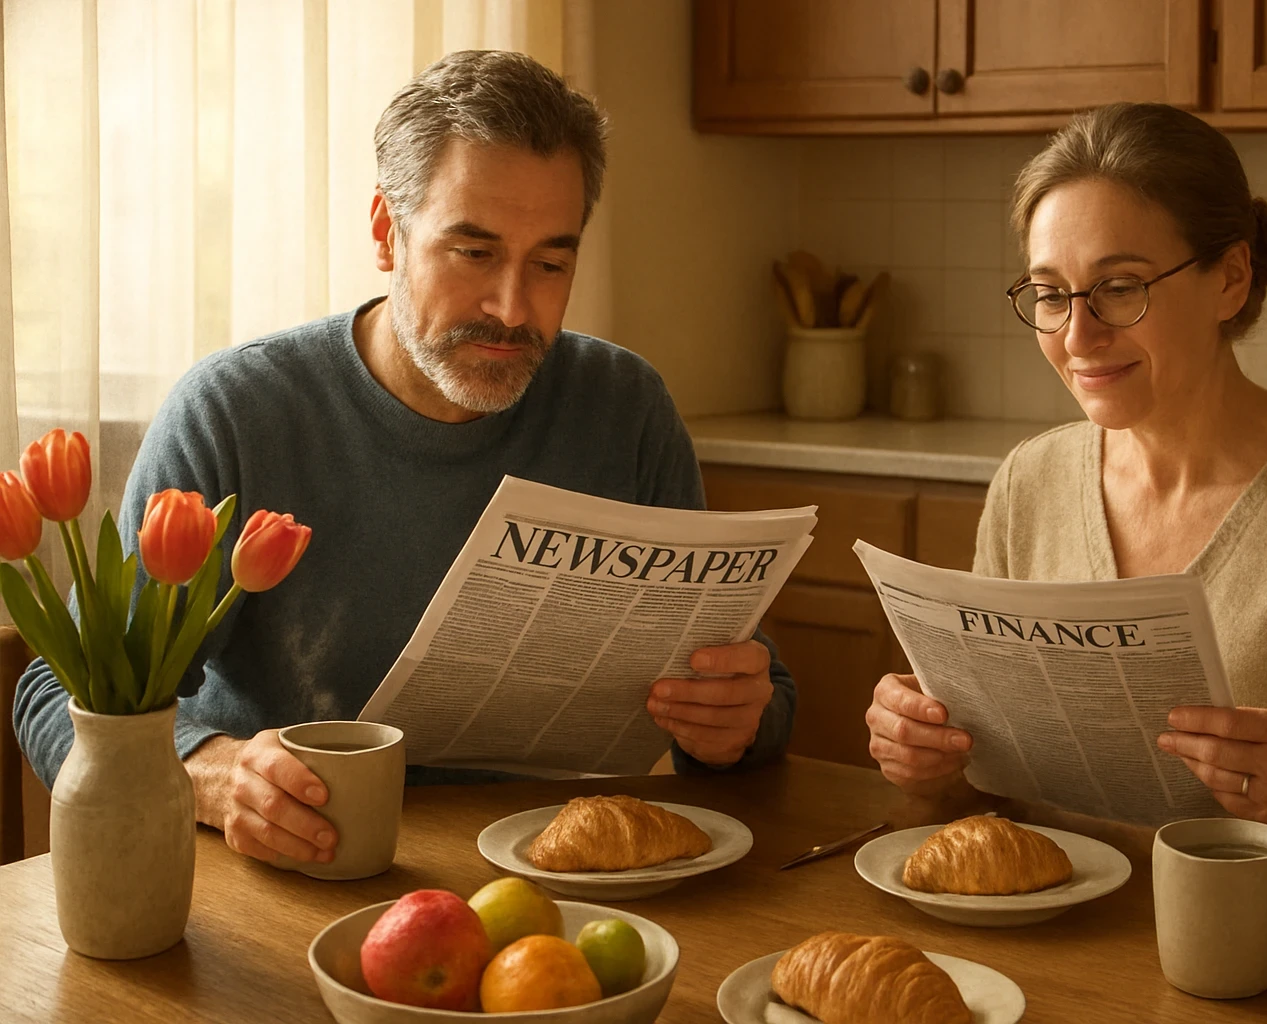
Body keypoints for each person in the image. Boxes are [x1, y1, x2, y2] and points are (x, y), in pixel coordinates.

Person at [14, 51, 795, 869]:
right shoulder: (237, 411)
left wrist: (736, 721)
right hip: (302, 876)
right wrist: (207, 770)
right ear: (388, 233)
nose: (511, 307)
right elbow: (52, 697)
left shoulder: (625, 409)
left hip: (564, 882)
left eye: (551, 264)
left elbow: (765, 700)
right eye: (474, 253)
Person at [864, 102, 1267, 878]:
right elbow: (989, 808)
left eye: (1120, 287)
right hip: (1041, 944)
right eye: (1051, 293)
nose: (1076, 335)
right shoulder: (1029, 482)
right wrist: (931, 762)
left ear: (1230, 278)